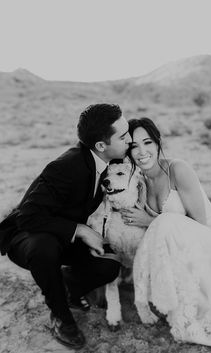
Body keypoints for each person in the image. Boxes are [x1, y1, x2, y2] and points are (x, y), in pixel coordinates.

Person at [0, 103, 131, 349]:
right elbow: (28, 216)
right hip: (26, 234)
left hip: (62, 233)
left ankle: (63, 285)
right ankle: (61, 316)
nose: (130, 139)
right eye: (123, 136)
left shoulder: (106, 161)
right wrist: (81, 230)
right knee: (44, 248)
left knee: (109, 263)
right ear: (101, 146)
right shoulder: (67, 166)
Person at [122, 117, 211, 349]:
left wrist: (150, 220)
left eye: (147, 143)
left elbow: (198, 224)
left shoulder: (177, 169)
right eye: (134, 146)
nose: (142, 151)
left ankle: (198, 310)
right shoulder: (139, 181)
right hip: (182, 249)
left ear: (157, 143)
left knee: (168, 223)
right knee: (164, 226)